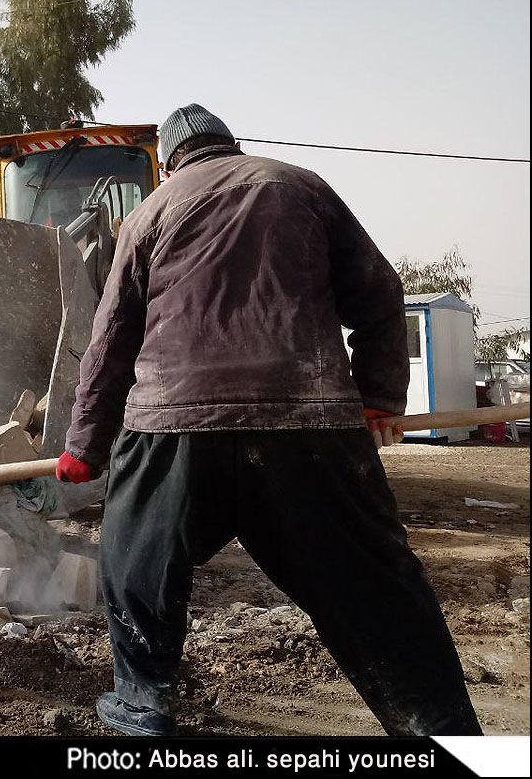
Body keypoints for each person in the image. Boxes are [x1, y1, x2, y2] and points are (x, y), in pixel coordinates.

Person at [57, 104, 481, 737]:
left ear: (169, 163)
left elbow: (111, 341)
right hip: (308, 424)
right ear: (231, 146)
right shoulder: (298, 185)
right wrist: (378, 398)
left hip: (174, 430)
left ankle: (141, 705)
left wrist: (84, 446)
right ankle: (440, 733)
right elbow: (380, 294)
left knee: (132, 557)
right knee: (376, 590)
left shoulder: (149, 213)